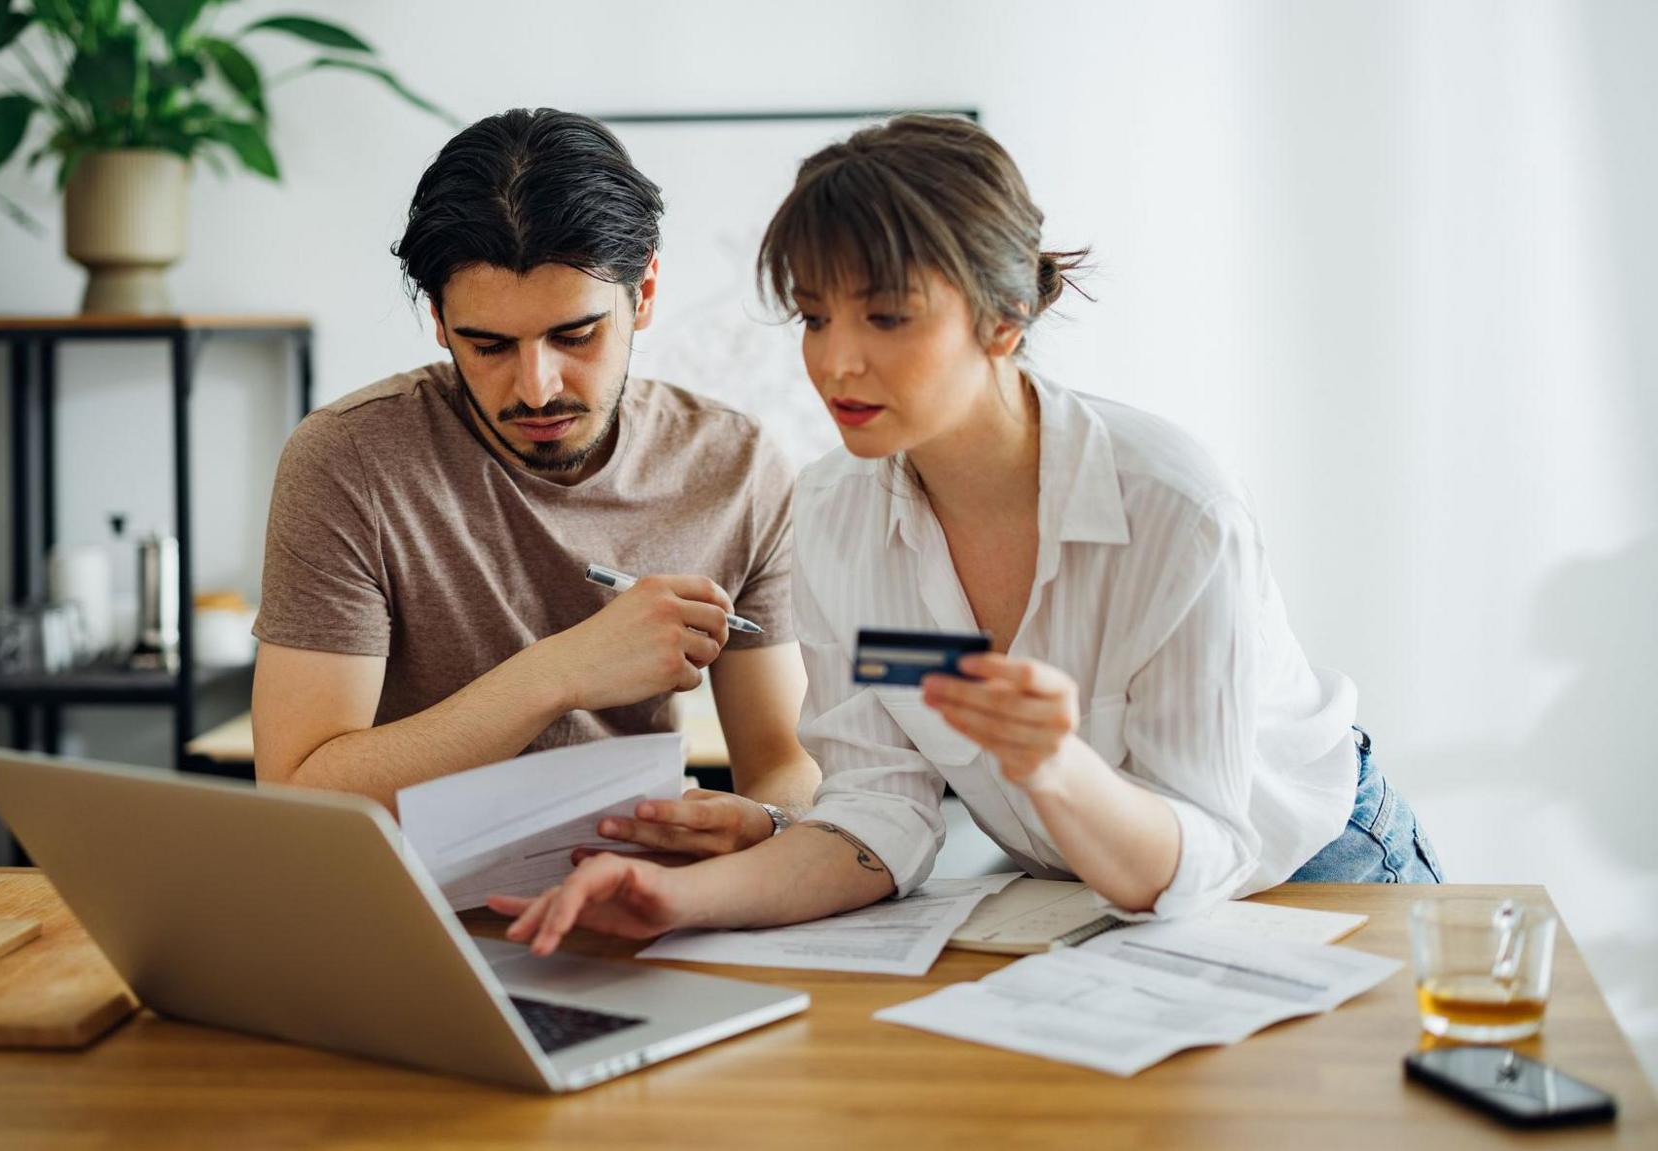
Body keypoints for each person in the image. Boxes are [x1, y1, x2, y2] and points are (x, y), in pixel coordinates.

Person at [493, 114, 1441, 955]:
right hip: (1082, 901)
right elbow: (878, 815)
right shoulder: (830, 508)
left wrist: (1055, 764)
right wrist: (676, 896)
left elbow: (1204, 850)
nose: (835, 360)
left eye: (888, 316)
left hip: (1313, 874)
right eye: (815, 317)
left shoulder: (1174, 508)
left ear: (1006, 315)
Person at [250, 108, 819, 852]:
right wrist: (562, 671)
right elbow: (298, 794)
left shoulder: (735, 468)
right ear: (438, 319)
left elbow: (782, 761)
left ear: (644, 293)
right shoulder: (348, 460)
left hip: (640, 901)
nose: (537, 387)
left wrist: (764, 820)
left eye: (575, 335)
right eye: (486, 344)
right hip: (412, 916)